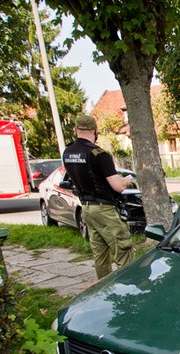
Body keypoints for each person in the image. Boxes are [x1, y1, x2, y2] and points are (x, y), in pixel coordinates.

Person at [62, 114, 135, 280]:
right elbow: (116, 186)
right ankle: (130, 287)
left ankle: (104, 289)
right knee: (122, 250)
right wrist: (125, 181)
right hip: (105, 209)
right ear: (95, 131)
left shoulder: (68, 152)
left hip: (86, 209)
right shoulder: (99, 154)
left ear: (75, 130)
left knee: (100, 254)